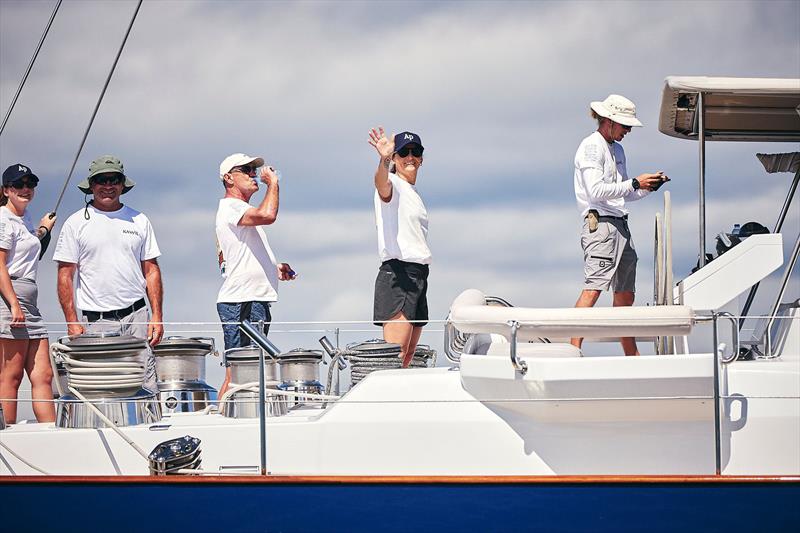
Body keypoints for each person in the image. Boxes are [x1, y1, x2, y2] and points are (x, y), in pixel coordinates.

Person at [53, 155, 163, 391]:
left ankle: (149, 426)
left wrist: (157, 316)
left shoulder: (139, 220)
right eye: (101, 180)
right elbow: (65, 275)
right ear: (91, 185)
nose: (108, 186)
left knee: (146, 383)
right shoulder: (75, 223)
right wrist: (71, 321)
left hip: (137, 315)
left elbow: (151, 270)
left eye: (114, 180)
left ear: (122, 185)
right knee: (104, 384)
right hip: (95, 321)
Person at [570, 94, 669, 356]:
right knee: (594, 288)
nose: (628, 131)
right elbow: (595, 190)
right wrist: (636, 183)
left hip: (620, 224)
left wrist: (648, 187)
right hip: (601, 225)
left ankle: (631, 354)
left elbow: (622, 193)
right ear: (609, 121)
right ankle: (571, 349)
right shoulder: (592, 147)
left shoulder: (617, 149)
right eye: (625, 126)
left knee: (626, 294)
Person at [215, 153, 296, 398]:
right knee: (239, 373)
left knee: (247, 371)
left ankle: (227, 417)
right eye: (247, 169)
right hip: (242, 301)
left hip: (251, 299)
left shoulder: (239, 210)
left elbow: (236, 256)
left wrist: (274, 267)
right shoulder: (231, 207)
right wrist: (273, 183)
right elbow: (268, 215)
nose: (253, 174)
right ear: (229, 178)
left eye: (254, 169)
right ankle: (222, 420)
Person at [367, 128, 431, 368]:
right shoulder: (392, 182)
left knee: (409, 355)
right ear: (395, 158)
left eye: (416, 152)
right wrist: (383, 159)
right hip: (398, 274)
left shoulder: (413, 193)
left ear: (422, 158)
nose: (410, 157)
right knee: (395, 356)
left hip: (418, 275)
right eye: (403, 152)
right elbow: (381, 183)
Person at [0, 164, 57, 423]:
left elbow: (27, 247)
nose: (26, 189)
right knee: (11, 376)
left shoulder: (25, 218)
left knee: (43, 374)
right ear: (6, 190)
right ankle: (8, 439)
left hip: (30, 301)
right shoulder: (3, 218)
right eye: (18, 185)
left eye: (30, 184)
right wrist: (13, 304)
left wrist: (43, 230)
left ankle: (50, 435)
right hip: (11, 298)